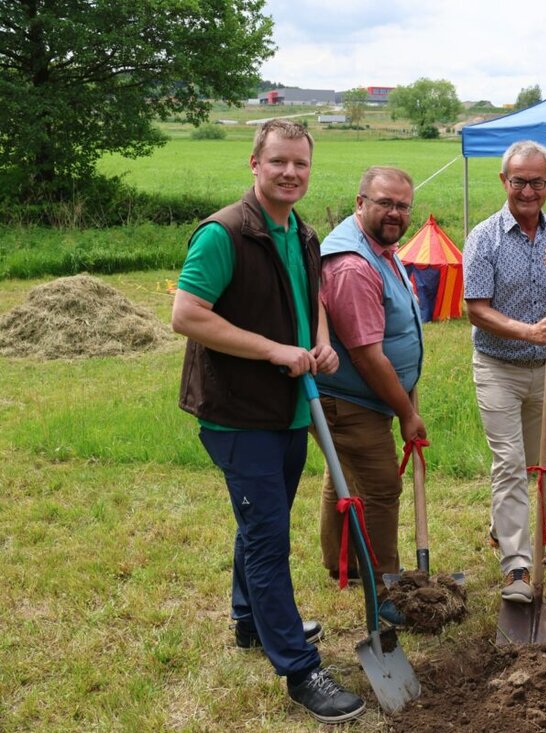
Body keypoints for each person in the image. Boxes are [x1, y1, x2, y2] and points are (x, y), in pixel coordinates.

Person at [171, 119, 365, 724]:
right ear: (254, 163)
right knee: (268, 536)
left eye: (300, 164)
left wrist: (323, 343)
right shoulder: (224, 234)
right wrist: (274, 349)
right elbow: (186, 315)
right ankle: (299, 667)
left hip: (289, 407)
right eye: (278, 161)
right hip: (236, 412)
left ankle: (249, 620)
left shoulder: (302, 234)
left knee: (263, 518)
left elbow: (314, 304)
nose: (290, 173)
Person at [464, 140, 546, 603]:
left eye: (537, 181)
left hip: (545, 369)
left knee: (532, 464)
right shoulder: (485, 237)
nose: (528, 190)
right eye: (519, 181)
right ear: (504, 181)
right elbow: (476, 309)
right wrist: (526, 331)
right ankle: (517, 567)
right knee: (510, 463)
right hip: (497, 366)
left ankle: (502, 526)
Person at [313, 166, 423, 626]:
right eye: (385, 203)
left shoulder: (380, 248)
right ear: (361, 203)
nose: (395, 213)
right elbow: (366, 355)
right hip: (352, 398)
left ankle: (346, 565)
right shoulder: (352, 264)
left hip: (364, 398)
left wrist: (408, 398)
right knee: (380, 487)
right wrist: (406, 413)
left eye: (402, 205)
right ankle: (384, 586)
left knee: (344, 476)